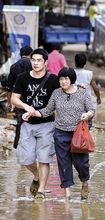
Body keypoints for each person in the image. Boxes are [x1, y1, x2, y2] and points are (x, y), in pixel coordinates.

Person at [22, 67, 95, 200]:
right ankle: (67, 194)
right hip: (60, 133)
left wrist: (87, 115)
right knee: (63, 163)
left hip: (78, 133)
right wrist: (33, 113)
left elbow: (91, 110)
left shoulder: (83, 92)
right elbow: (47, 110)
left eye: (66, 79)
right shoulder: (56, 93)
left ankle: (85, 182)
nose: (63, 81)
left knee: (81, 163)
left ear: (72, 79)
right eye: (61, 79)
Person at [11, 48, 60, 199]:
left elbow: (65, 93)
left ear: (45, 63)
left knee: (45, 158)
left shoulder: (53, 79)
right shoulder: (22, 78)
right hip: (27, 124)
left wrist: (79, 89)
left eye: (39, 60)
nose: (36, 63)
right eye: (34, 60)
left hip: (47, 124)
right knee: (25, 158)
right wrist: (26, 106)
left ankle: (41, 190)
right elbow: (14, 99)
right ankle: (37, 175)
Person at [7, 45, 33, 110]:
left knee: (20, 117)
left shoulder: (13, 66)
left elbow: (9, 87)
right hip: (32, 96)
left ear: (21, 54)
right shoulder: (34, 65)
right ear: (31, 54)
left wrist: (9, 102)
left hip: (18, 97)